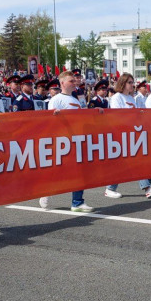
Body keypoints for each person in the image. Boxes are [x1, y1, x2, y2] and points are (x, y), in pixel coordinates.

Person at [39, 71, 97, 212]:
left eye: (75, 80)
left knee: (80, 170)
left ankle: (77, 202)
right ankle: (45, 191)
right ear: (62, 83)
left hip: (77, 139)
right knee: (59, 171)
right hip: (63, 141)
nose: (74, 82)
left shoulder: (76, 100)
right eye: (71, 80)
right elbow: (50, 121)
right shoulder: (56, 99)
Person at [105, 73, 151, 198]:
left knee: (129, 162)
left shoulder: (131, 98)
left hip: (133, 133)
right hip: (122, 134)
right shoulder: (117, 97)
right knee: (132, 161)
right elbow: (116, 117)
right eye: (130, 82)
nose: (133, 85)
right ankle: (147, 187)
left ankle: (112, 188)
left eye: (133, 82)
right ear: (123, 83)